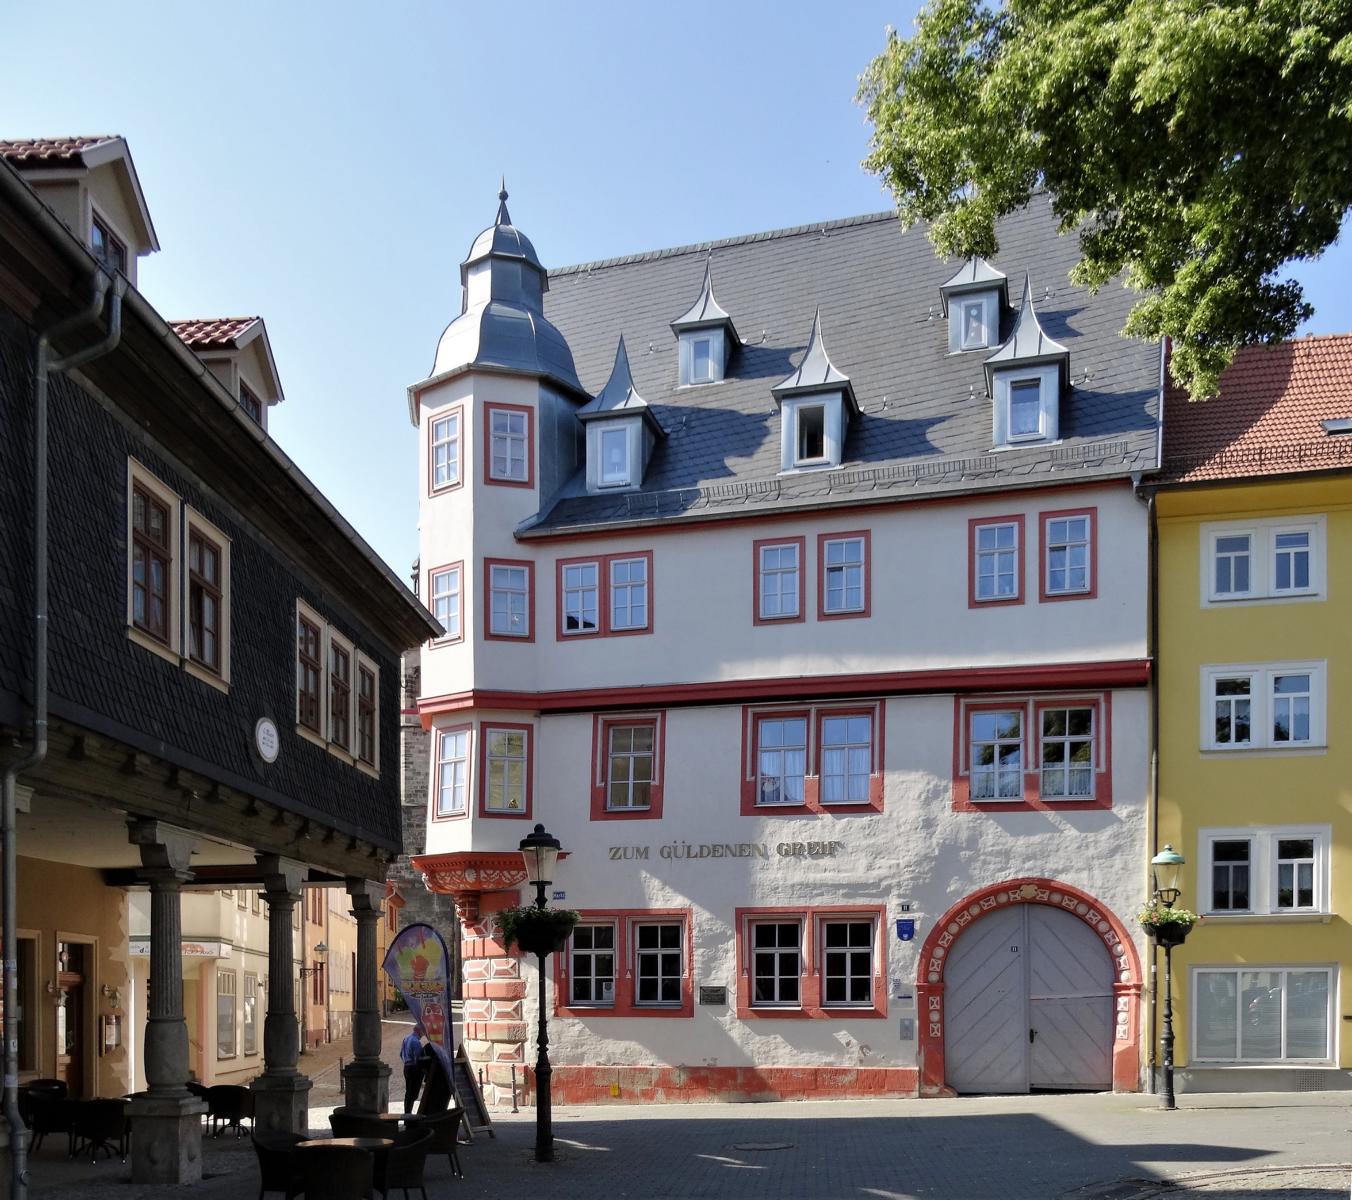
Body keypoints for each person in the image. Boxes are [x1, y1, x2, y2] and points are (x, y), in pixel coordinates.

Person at [399, 1024, 426, 1113]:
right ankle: (408, 1114)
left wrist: (406, 1062)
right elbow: (418, 1059)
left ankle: (407, 1113)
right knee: (413, 1094)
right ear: (419, 1031)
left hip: (406, 1067)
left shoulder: (406, 1038)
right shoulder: (416, 1042)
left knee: (408, 1093)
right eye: (423, 1031)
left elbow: (401, 1054)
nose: (423, 1033)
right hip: (414, 1069)